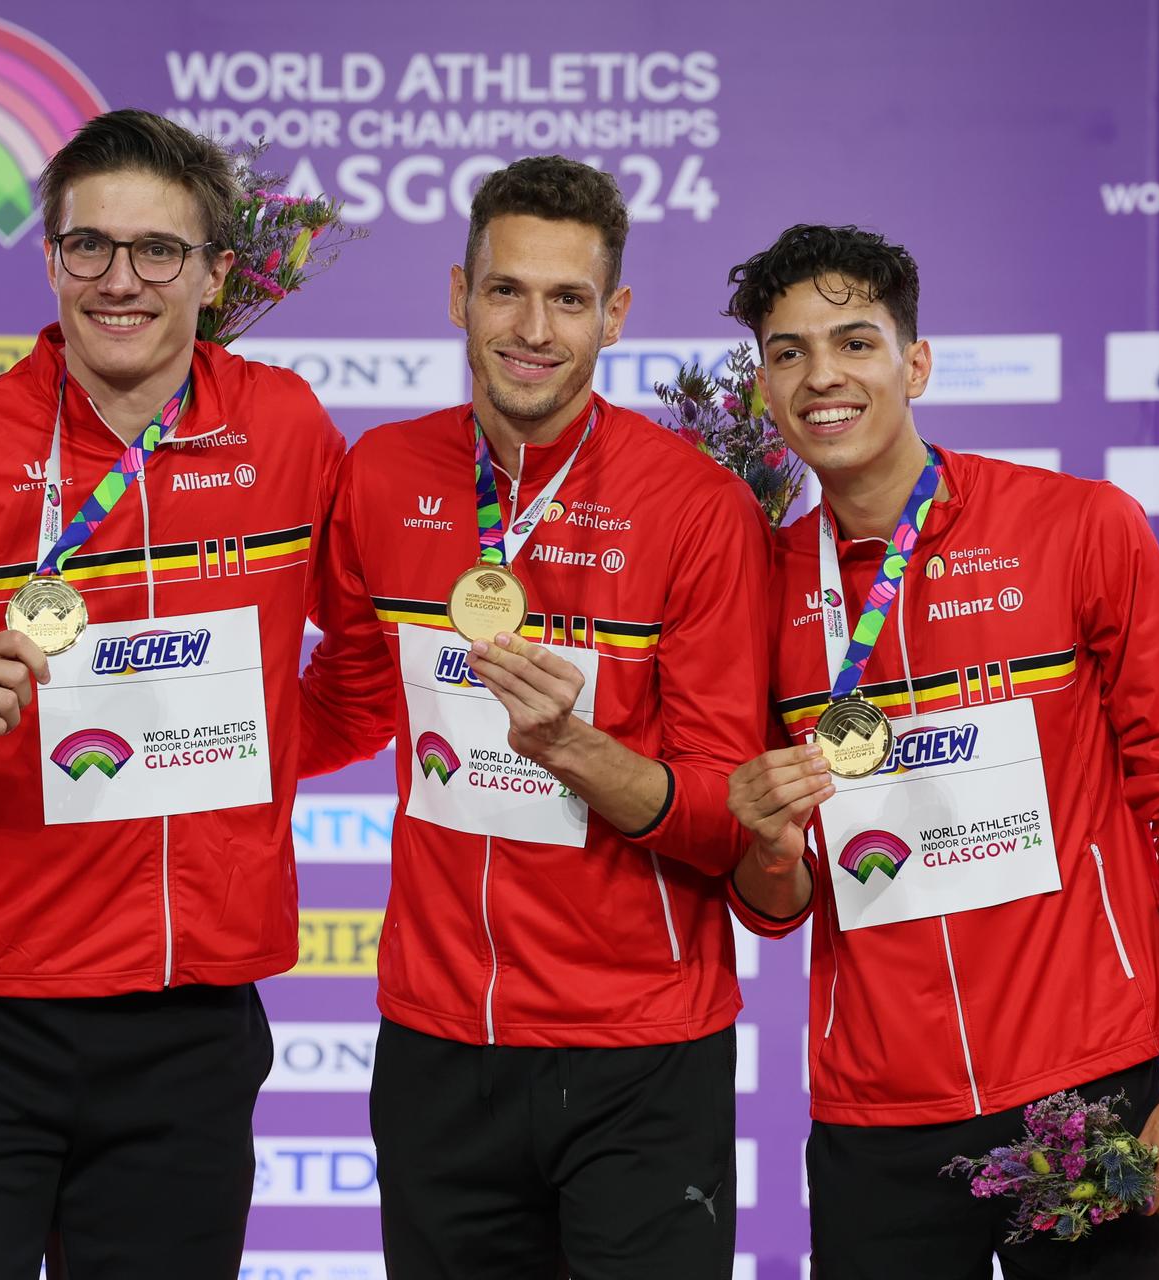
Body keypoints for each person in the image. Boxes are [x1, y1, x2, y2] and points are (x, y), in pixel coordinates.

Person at [0, 108, 344, 1277]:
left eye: (158, 250)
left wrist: (244, 750)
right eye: (90, 248)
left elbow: (363, 665)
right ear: (51, 256)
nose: (122, 281)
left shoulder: (285, 430)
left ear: (218, 272)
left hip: (188, 1017)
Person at [723, 224, 1159, 1279]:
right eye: (787, 352)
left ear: (914, 362)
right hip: (877, 1110)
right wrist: (766, 842)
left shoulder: (1079, 527)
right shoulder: (755, 583)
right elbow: (774, 904)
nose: (822, 375)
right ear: (766, 387)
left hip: (1085, 1085)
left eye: (855, 341)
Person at [299, 155, 770, 1278]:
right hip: (436, 1040)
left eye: (567, 299)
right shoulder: (379, 472)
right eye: (505, 290)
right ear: (458, 295)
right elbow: (351, 705)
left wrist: (576, 749)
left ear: (613, 315)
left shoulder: (696, 508)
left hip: (640, 1050)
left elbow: (722, 816)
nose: (532, 327)